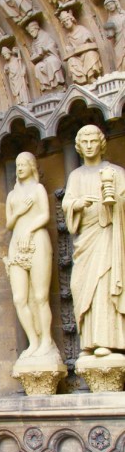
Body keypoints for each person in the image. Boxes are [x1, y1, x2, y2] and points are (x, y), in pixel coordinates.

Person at [62, 125, 125, 357]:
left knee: (104, 285)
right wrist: (77, 204)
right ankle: (88, 342)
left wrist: (114, 199)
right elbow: (67, 203)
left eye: (93, 141)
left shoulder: (115, 172)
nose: (89, 146)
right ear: (78, 146)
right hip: (85, 240)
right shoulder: (76, 176)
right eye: (84, 142)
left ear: (101, 143)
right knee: (82, 285)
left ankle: (107, 340)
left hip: (107, 235)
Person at [5, 152, 56, 358]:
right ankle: (33, 342)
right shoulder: (12, 195)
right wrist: (18, 211)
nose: (19, 168)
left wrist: (29, 230)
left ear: (32, 166)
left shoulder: (38, 189)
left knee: (41, 296)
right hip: (16, 245)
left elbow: (45, 215)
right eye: (17, 165)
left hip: (37, 242)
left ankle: (47, 341)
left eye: (23, 164)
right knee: (19, 299)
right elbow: (9, 224)